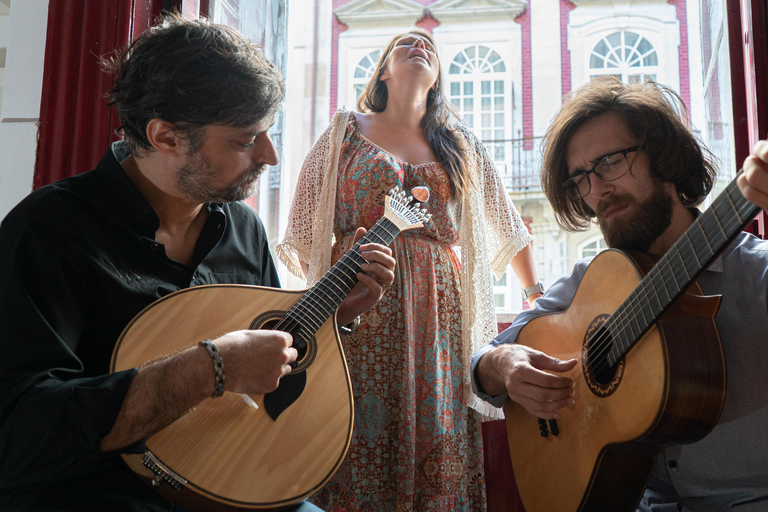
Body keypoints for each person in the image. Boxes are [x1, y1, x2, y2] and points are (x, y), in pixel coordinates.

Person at [0, 13, 395, 512]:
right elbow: (19, 432)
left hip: (230, 479)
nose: (270, 156)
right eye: (246, 139)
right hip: (95, 490)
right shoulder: (48, 230)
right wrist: (208, 369)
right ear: (166, 136)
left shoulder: (243, 228)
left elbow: (271, 365)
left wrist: (334, 318)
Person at [472, 75, 768, 511]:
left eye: (610, 162)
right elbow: (484, 364)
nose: (596, 190)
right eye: (580, 179)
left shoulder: (758, 274)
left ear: (662, 156)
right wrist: (506, 363)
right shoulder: (588, 282)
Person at [277, 28, 540, 511]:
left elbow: (507, 222)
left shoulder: (459, 144)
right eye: (406, 43)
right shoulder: (344, 130)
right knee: (351, 424)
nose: (420, 46)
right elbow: (304, 224)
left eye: (430, 48)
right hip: (356, 302)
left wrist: (537, 301)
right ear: (382, 69)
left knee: (436, 423)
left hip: (439, 313)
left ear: (437, 78)